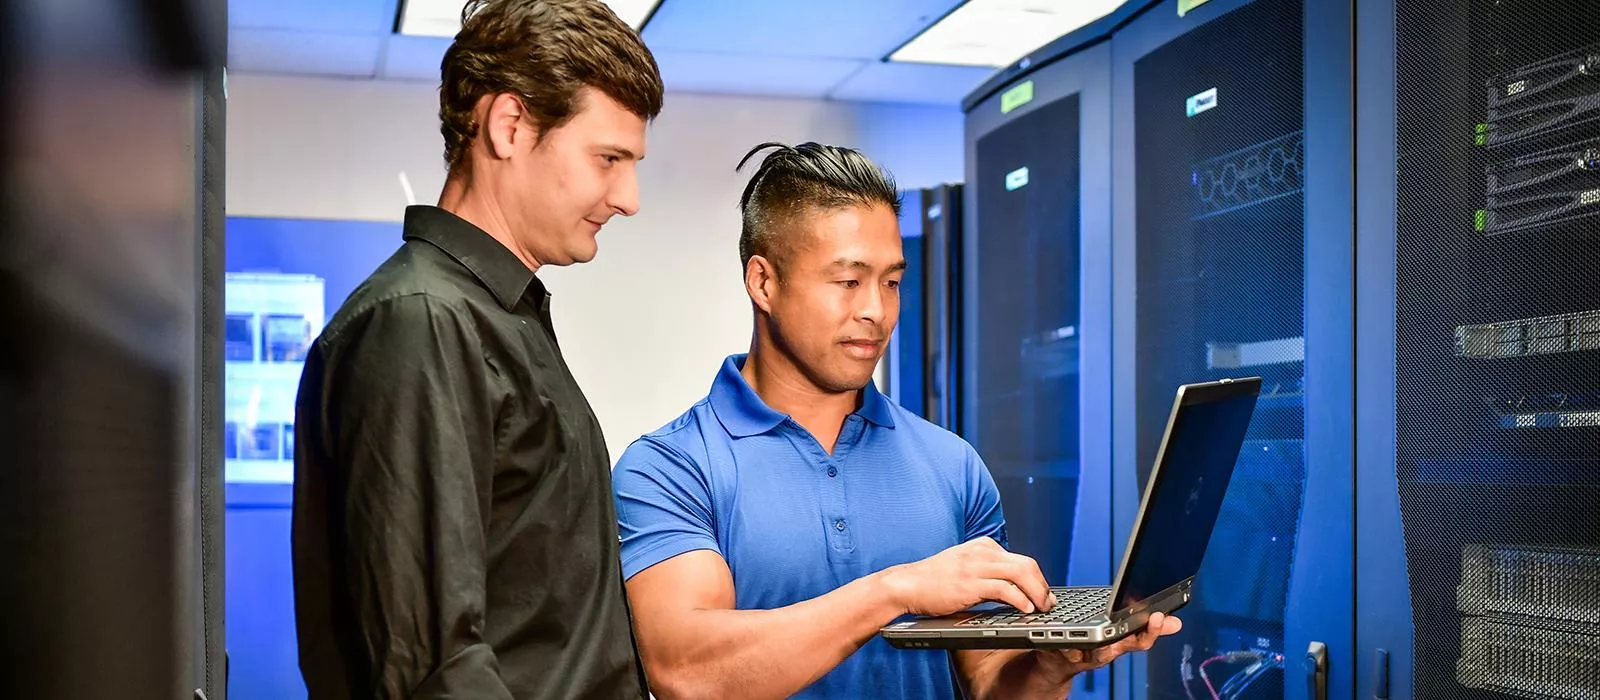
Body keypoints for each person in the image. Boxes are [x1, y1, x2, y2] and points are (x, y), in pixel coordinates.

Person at [611, 142, 1182, 699]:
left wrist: (1049, 667)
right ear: (764, 282)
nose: (876, 312)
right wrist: (896, 590)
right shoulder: (671, 469)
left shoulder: (951, 463)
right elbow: (687, 672)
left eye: (891, 282)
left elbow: (984, 680)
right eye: (847, 281)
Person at [290, 1, 662, 697]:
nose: (628, 197)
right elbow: (430, 663)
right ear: (509, 126)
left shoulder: (498, 315)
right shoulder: (423, 321)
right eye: (609, 158)